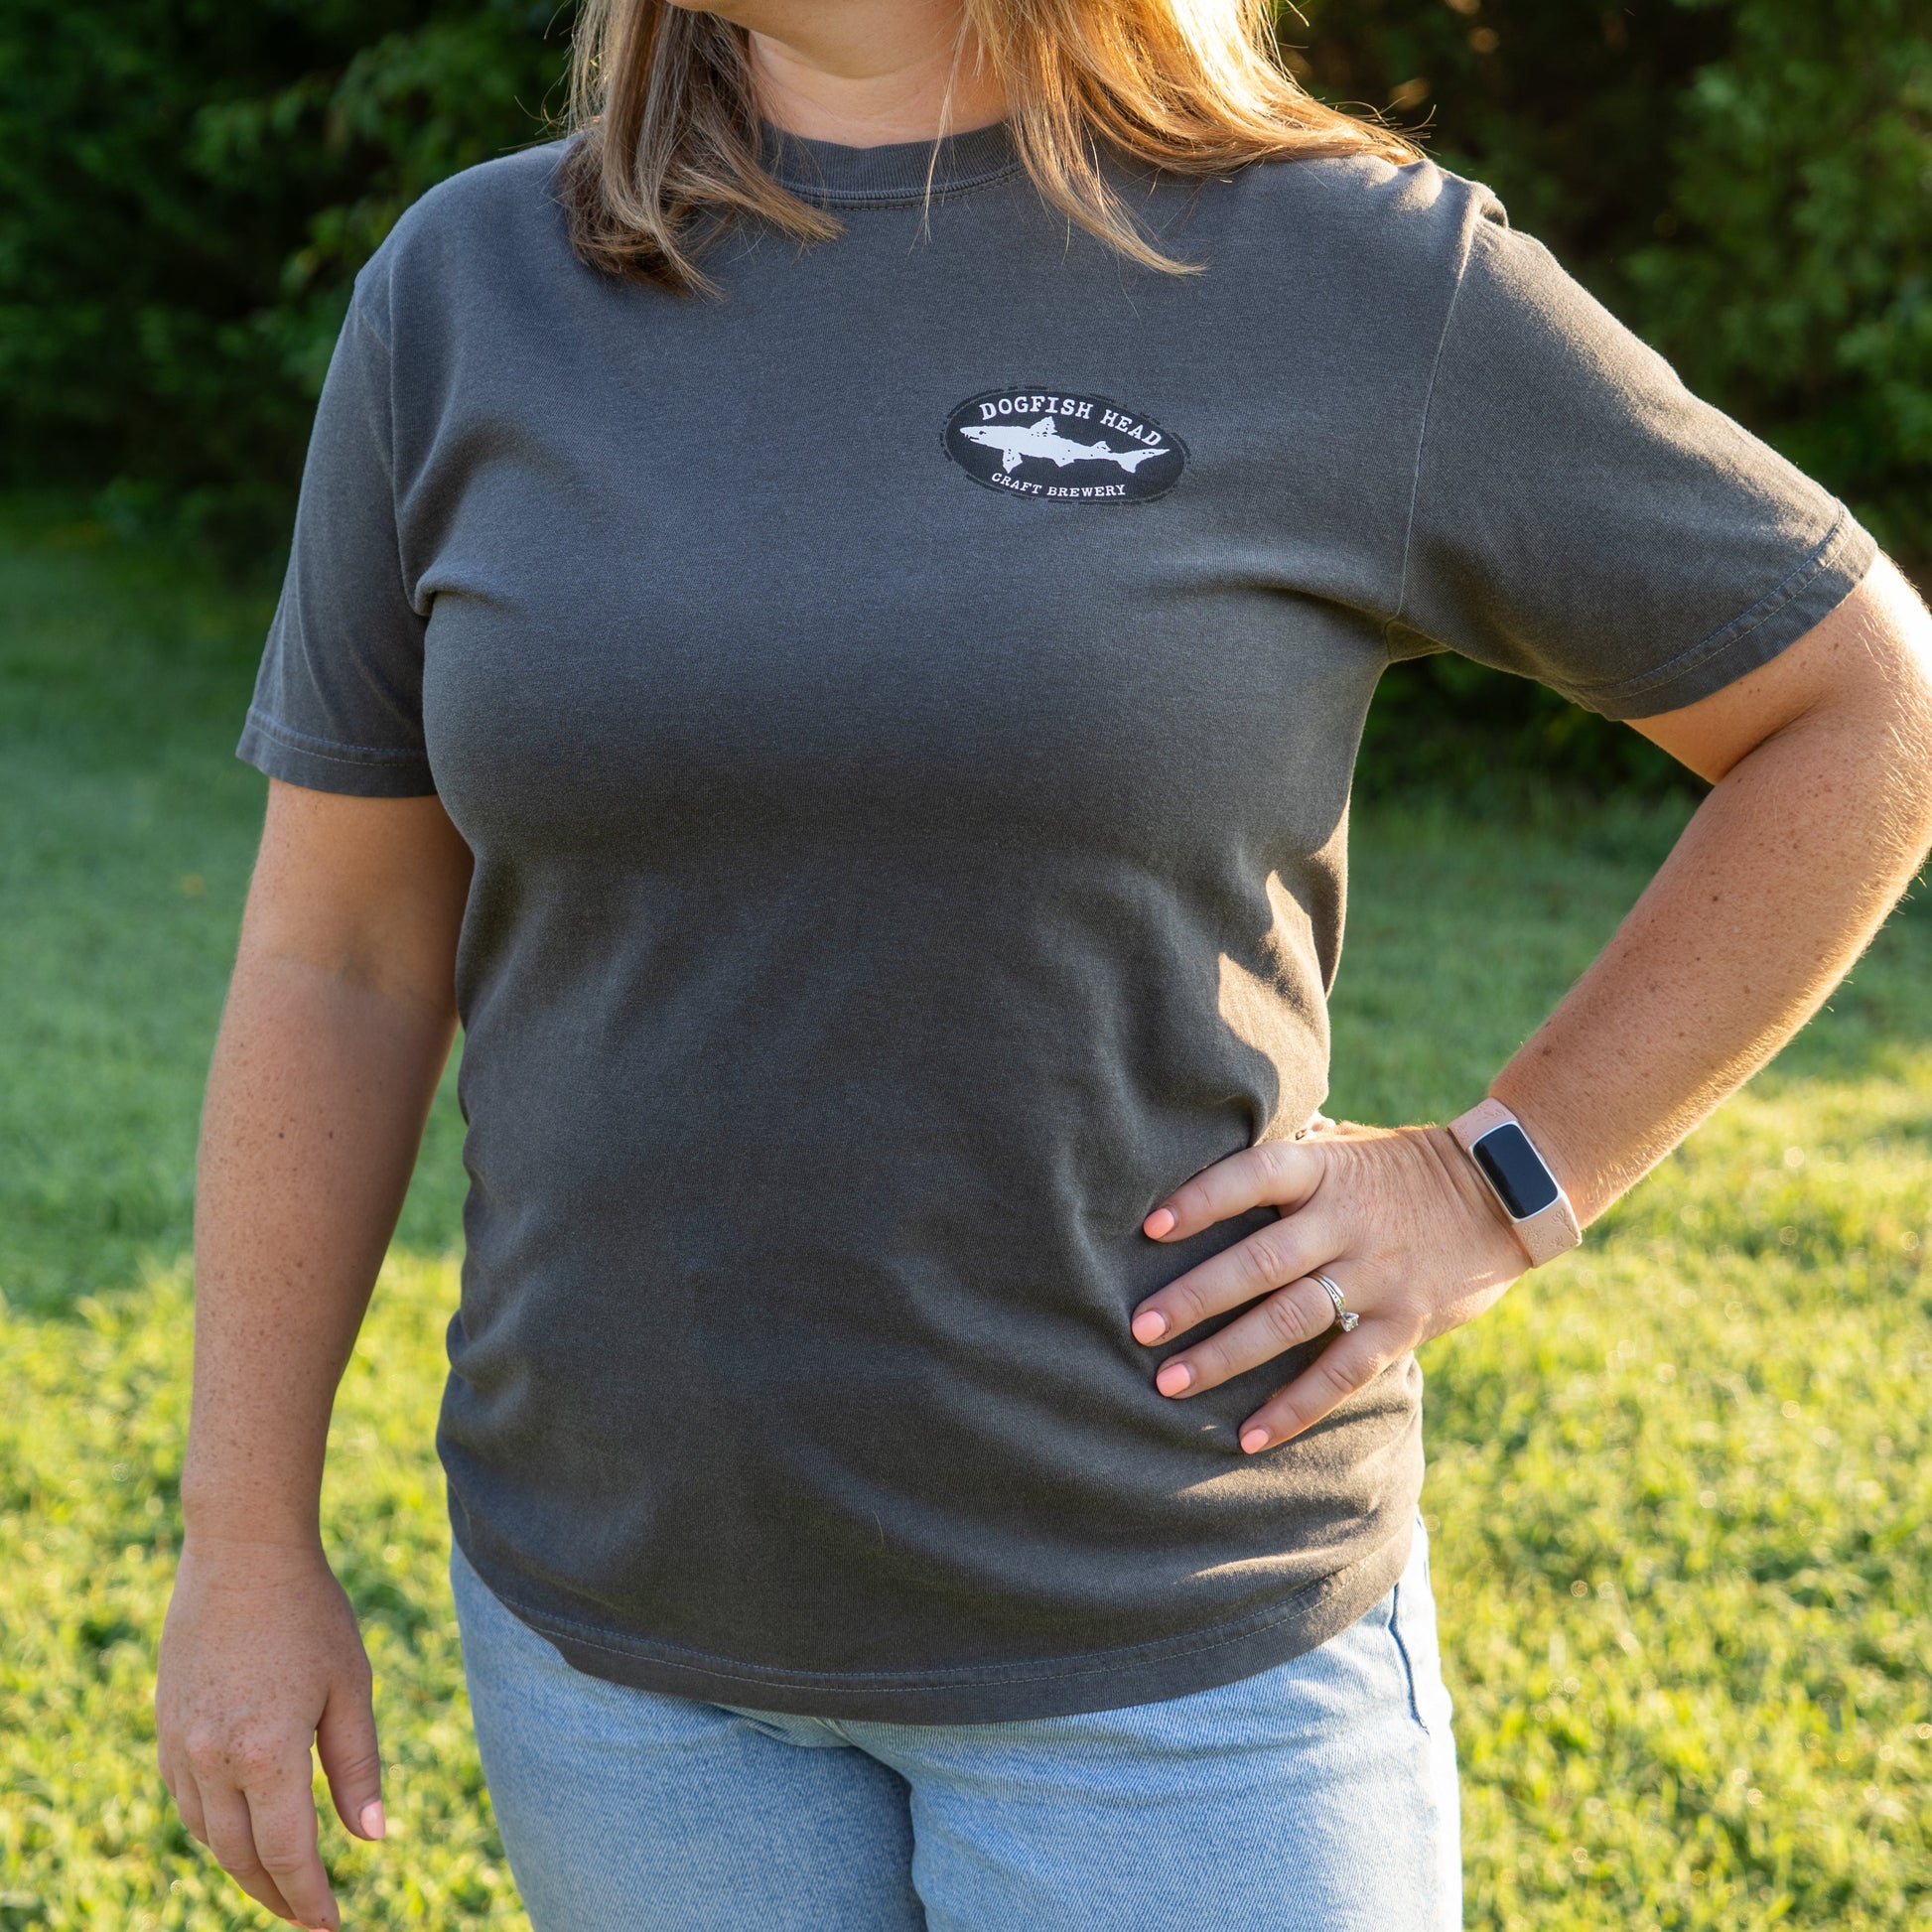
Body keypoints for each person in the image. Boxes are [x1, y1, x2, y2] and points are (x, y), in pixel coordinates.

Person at [153, 2, 1932, 1928]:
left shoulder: (1342, 270)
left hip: (1173, 1659)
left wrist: (1496, 1178)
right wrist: (243, 1540)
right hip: (625, 1658)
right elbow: (337, 955)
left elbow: (1860, 711)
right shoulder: (472, 287)